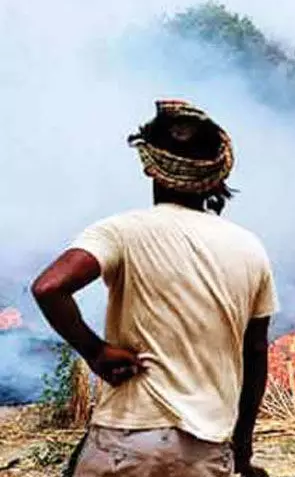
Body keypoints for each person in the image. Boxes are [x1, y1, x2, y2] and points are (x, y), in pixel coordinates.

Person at [31, 99, 277, 477]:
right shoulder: (249, 247)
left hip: (125, 440)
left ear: (150, 167)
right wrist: (241, 448)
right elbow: (256, 351)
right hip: (206, 447)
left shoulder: (119, 232)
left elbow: (50, 287)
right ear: (215, 175)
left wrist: (95, 351)